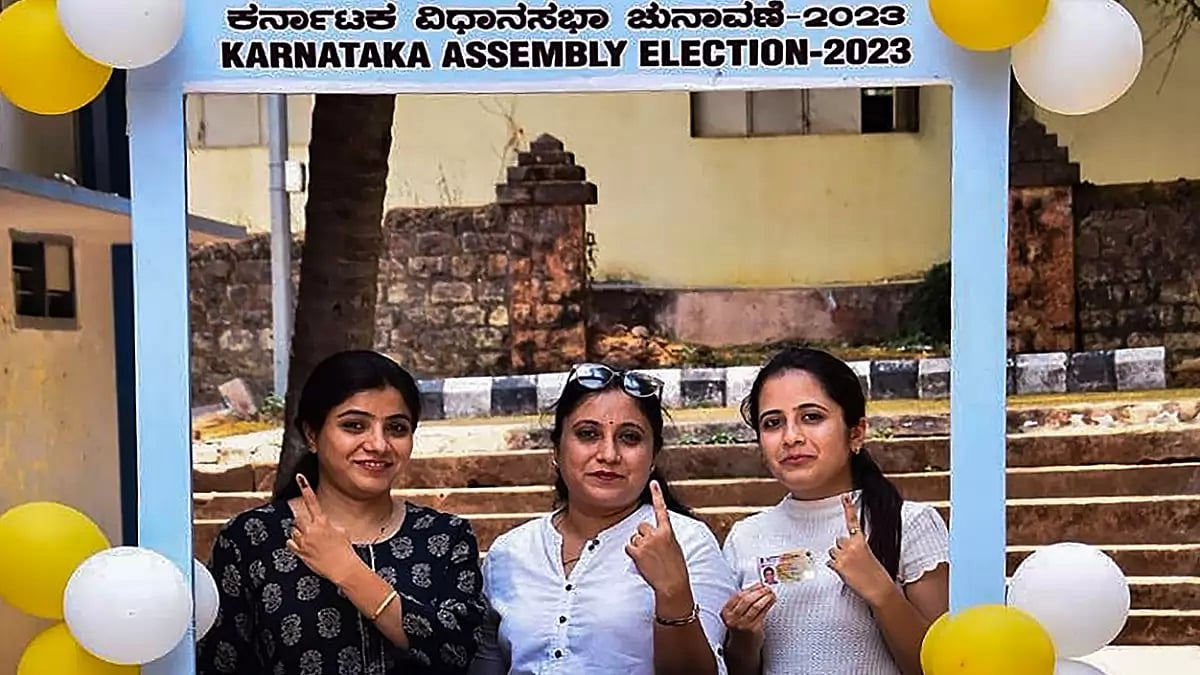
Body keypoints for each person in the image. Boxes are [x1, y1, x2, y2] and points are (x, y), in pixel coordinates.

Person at [197, 350, 488, 675]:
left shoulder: (445, 536)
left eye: (396, 428)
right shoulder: (252, 539)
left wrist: (348, 570)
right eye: (354, 425)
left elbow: (456, 651)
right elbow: (222, 663)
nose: (378, 444)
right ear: (312, 434)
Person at [469, 363, 738, 675]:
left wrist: (673, 592)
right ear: (557, 448)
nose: (609, 454)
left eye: (630, 437)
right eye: (588, 434)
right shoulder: (510, 552)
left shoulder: (687, 541)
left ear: (653, 458)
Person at [719, 347, 949, 675]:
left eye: (812, 417)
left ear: (856, 432)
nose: (791, 437)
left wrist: (882, 593)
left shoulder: (909, 524)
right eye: (773, 423)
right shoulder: (747, 537)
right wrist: (743, 639)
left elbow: (941, 666)